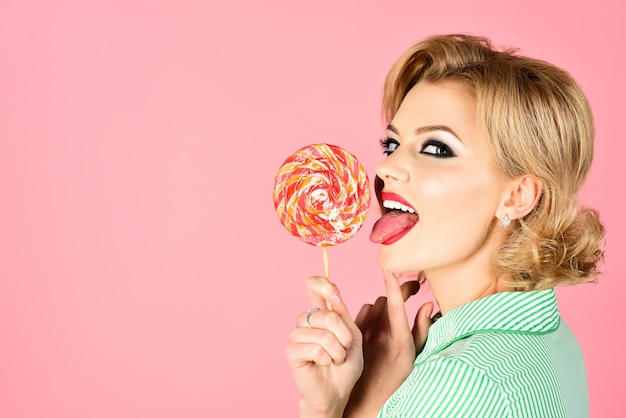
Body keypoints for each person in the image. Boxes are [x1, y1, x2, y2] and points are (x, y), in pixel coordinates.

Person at [284, 34, 605, 417]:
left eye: (436, 148)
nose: (385, 168)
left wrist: (347, 407)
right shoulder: (552, 337)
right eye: (391, 145)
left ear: (517, 196)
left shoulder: (461, 381)